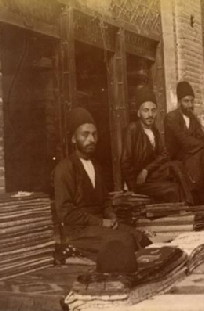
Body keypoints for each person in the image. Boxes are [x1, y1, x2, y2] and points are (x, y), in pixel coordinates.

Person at [54, 108, 151, 259]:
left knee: (140, 237)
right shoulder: (64, 169)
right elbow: (66, 214)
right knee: (125, 241)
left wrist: (111, 216)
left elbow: (105, 201)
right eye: (85, 134)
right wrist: (100, 222)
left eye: (94, 134)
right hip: (78, 232)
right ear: (74, 139)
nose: (91, 139)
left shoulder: (96, 166)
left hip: (98, 226)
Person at [121, 87, 193, 203]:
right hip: (140, 183)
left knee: (176, 165)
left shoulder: (155, 131)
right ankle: (188, 206)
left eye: (153, 110)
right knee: (174, 188)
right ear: (138, 112)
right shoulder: (133, 130)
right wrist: (133, 189)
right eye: (146, 110)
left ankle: (189, 204)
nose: (150, 115)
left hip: (151, 176)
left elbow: (165, 155)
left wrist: (147, 169)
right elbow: (125, 162)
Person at [164, 81, 204, 205]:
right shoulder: (171, 118)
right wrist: (203, 145)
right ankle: (197, 196)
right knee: (200, 153)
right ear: (179, 102)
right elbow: (183, 139)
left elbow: (201, 138)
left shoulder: (193, 118)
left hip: (193, 159)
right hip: (177, 159)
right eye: (186, 101)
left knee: (203, 154)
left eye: (192, 101)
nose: (190, 105)